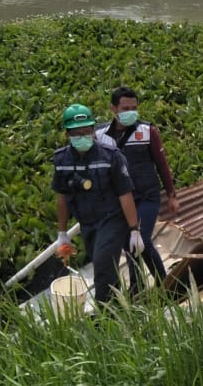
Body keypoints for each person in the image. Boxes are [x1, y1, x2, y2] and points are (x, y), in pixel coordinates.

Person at [52, 103, 144, 303]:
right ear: (67, 135)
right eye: (77, 133)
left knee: (102, 266)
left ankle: (106, 314)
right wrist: (62, 233)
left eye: (86, 132)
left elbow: (125, 194)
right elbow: (62, 197)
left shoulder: (111, 156)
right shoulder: (62, 160)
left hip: (112, 219)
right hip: (87, 222)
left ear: (94, 131)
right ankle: (119, 305)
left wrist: (134, 230)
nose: (82, 137)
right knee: (103, 266)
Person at [96, 87, 179, 293]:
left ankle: (165, 283)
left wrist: (171, 195)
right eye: (125, 108)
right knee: (128, 242)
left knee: (142, 239)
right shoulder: (100, 136)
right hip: (121, 199)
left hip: (147, 196)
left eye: (134, 108)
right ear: (113, 108)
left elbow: (162, 165)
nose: (130, 112)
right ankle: (137, 285)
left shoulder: (147, 131)